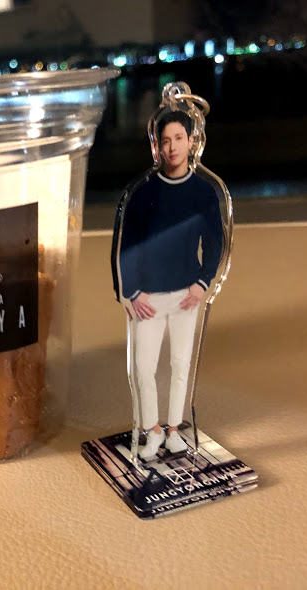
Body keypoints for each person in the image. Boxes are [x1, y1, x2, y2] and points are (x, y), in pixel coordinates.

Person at [114, 109, 223, 460]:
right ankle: (153, 430)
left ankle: (174, 429)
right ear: (157, 147)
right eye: (165, 141)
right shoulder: (143, 194)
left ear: (191, 142)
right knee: (143, 369)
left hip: (186, 296)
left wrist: (202, 283)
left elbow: (215, 242)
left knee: (180, 364)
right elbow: (126, 247)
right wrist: (131, 292)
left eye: (178, 138)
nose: (172, 147)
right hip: (148, 298)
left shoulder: (203, 192)